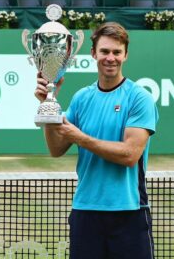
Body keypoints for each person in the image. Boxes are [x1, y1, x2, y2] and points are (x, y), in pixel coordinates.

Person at [35, 22, 158, 259]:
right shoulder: (82, 98)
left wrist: (81, 138)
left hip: (129, 212)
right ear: (93, 54)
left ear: (125, 55)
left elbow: (130, 155)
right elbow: (56, 148)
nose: (110, 58)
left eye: (116, 52)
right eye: (104, 52)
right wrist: (47, 104)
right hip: (85, 212)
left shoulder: (139, 98)